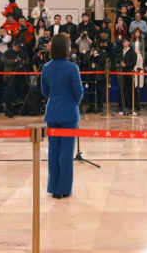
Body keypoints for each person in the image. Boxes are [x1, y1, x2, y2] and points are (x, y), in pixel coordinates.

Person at [42, 33, 84, 199]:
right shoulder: (72, 67)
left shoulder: (46, 67)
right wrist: (73, 102)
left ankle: (53, 187)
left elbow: (45, 91)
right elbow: (78, 92)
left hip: (52, 113)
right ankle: (63, 189)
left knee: (53, 151)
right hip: (69, 114)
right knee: (67, 152)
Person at [2, 40, 30, 117]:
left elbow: (27, 60)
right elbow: (3, 60)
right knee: (10, 92)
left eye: (19, 47)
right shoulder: (7, 52)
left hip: (21, 75)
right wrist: (14, 60)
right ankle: (8, 110)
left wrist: (23, 62)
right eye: (17, 47)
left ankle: (26, 109)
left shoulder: (22, 52)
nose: (18, 49)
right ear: (13, 46)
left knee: (23, 91)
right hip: (11, 76)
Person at [119, 37, 137, 113]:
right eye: (123, 42)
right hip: (121, 73)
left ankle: (131, 106)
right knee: (122, 89)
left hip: (129, 73)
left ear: (129, 43)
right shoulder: (121, 51)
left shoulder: (132, 52)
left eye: (125, 41)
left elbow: (134, 62)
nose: (123, 43)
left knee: (130, 90)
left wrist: (125, 65)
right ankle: (122, 105)